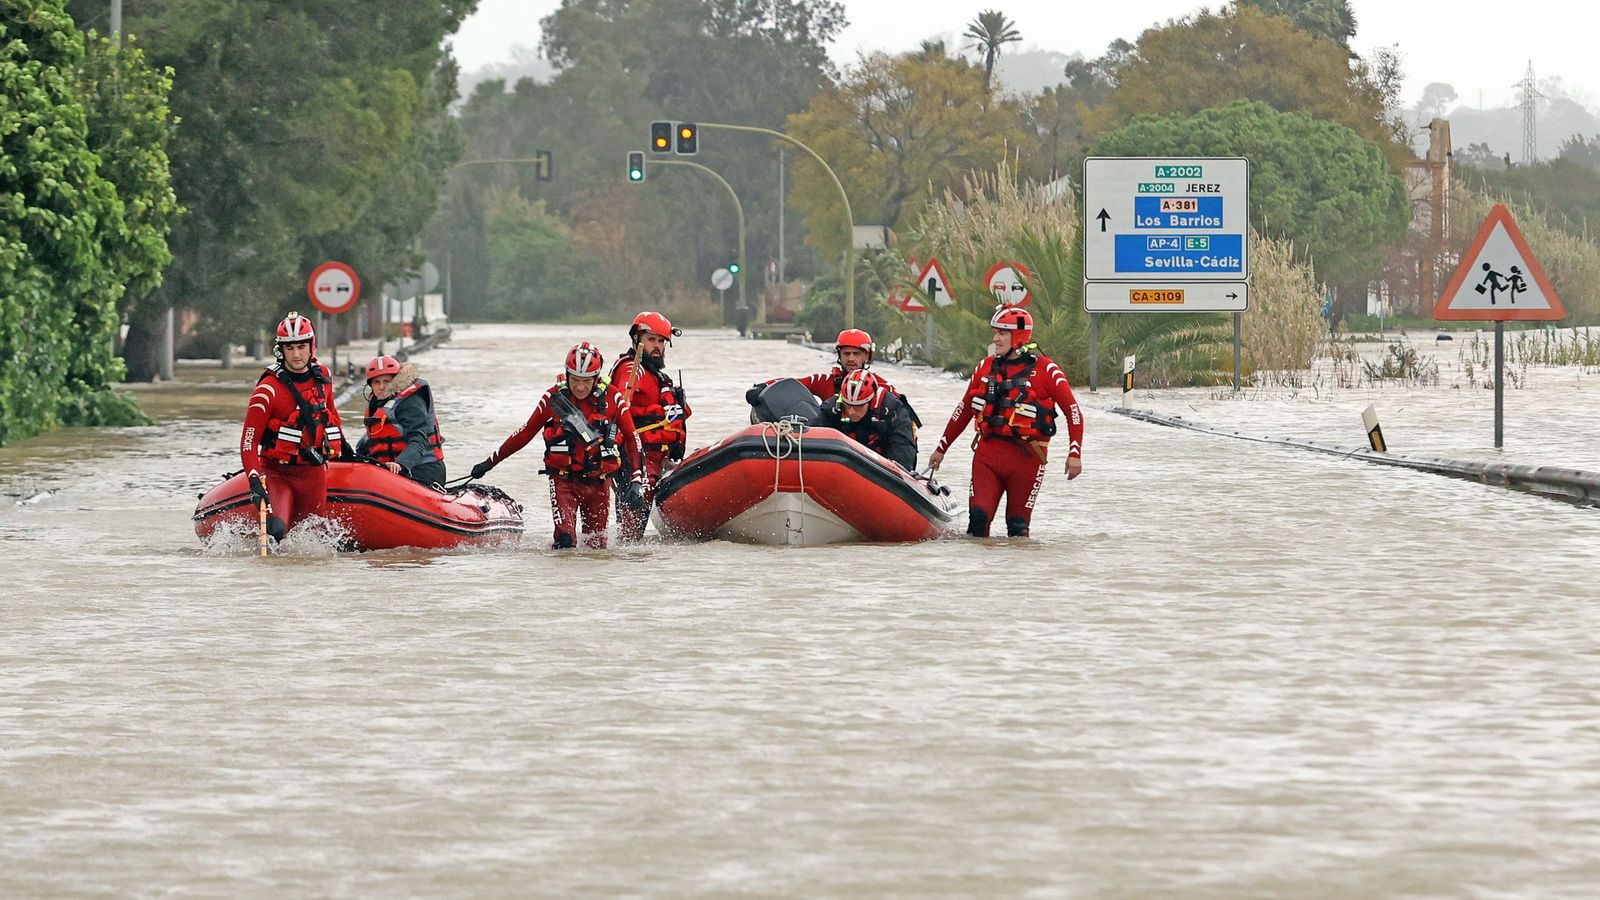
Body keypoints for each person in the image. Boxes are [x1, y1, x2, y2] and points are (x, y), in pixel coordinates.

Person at [468, 342, 646, 549]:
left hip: (599, 483)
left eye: (586, 381)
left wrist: (636, 481)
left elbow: (633, 440)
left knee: (597, 547)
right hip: (564, 482)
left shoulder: (614, 398)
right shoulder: (553, 399)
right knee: (565, 541)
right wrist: (489, 463)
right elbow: (524, 433)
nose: (580, 387)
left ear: (596, 379)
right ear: (567, 375)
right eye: (575, 380)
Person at [927, 306, 1083, 538]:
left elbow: (1073, 412)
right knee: (978, 521)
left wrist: (1074, 453)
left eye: (1002, 333)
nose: (995, 338)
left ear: (1018, 336)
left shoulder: (1046, 370)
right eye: (995, 332)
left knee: (1018, 529)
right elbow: (963, 410)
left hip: (1028, 459)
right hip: (988, 455)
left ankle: (1016, 574)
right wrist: (941, 449)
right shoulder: (985, 367)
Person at [240, 311, 350, 541]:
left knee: (314, 542)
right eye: (290, 348)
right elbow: (248, 443)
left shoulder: (324, 377)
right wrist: (253, 481)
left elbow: (332, 417)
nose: (297, 355)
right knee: (277, 532)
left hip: (313, 473)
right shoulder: (267, 391)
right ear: (281, 350)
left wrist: (347, 451)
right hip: (278, 472)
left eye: (301, 347)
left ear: (312, 346)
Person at [609, 311, 691, 541]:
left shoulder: (658, 376)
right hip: (637, 458)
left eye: (661, 341)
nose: (657, 346)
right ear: (637, 340)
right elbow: (622, 400)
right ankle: (628, 561)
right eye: (651, 340)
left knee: (633, 529)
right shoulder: (631, 369)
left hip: (659, 459)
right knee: (631, 531)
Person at [745, 328, 922, 427]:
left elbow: (906, 422)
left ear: (867, 356)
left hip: (869, 447)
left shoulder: (883, 388)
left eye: (856, 354)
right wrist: (761, 387)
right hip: (831, 445)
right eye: (846, 354)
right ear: (839, 355)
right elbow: (790, 384)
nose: (851, 359)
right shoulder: (825, 381)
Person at [356, 355, 446, 486]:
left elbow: (419, 439)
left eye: (386, 381)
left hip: (423, 469)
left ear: (395, 381)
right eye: (376, 382)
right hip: (390, 470)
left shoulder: (410, 401)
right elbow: (374, 438)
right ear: (370, 384)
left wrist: (401, 465)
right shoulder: (377, 403)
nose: (381, 387)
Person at [815, 369, 918, 471]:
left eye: (858, 406)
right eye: (848, 405)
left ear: (870, 402)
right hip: (842, 466)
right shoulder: (832, 408)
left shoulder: (891, 410)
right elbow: (814, 434)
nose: (851, 412)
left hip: (881, 468)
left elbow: (903, 453)